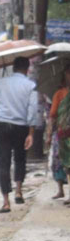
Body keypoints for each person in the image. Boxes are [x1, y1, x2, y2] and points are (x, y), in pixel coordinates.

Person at [0, 55, 41, 212]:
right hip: (21, 127)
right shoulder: (31, 85)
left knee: (3, 162)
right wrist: (31, 133)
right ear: (27, 69)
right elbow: (33, 110)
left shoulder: (0, 83)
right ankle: (18, 191)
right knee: (20, 159)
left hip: (2, 125)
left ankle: (6, 202)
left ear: (13, 68)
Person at [50, 66, 70, 201]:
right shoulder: (59, 93)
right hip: (63, 133)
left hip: (64, 132)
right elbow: (53, 114)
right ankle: (61, 190)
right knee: (60, 161)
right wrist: (50, 131)